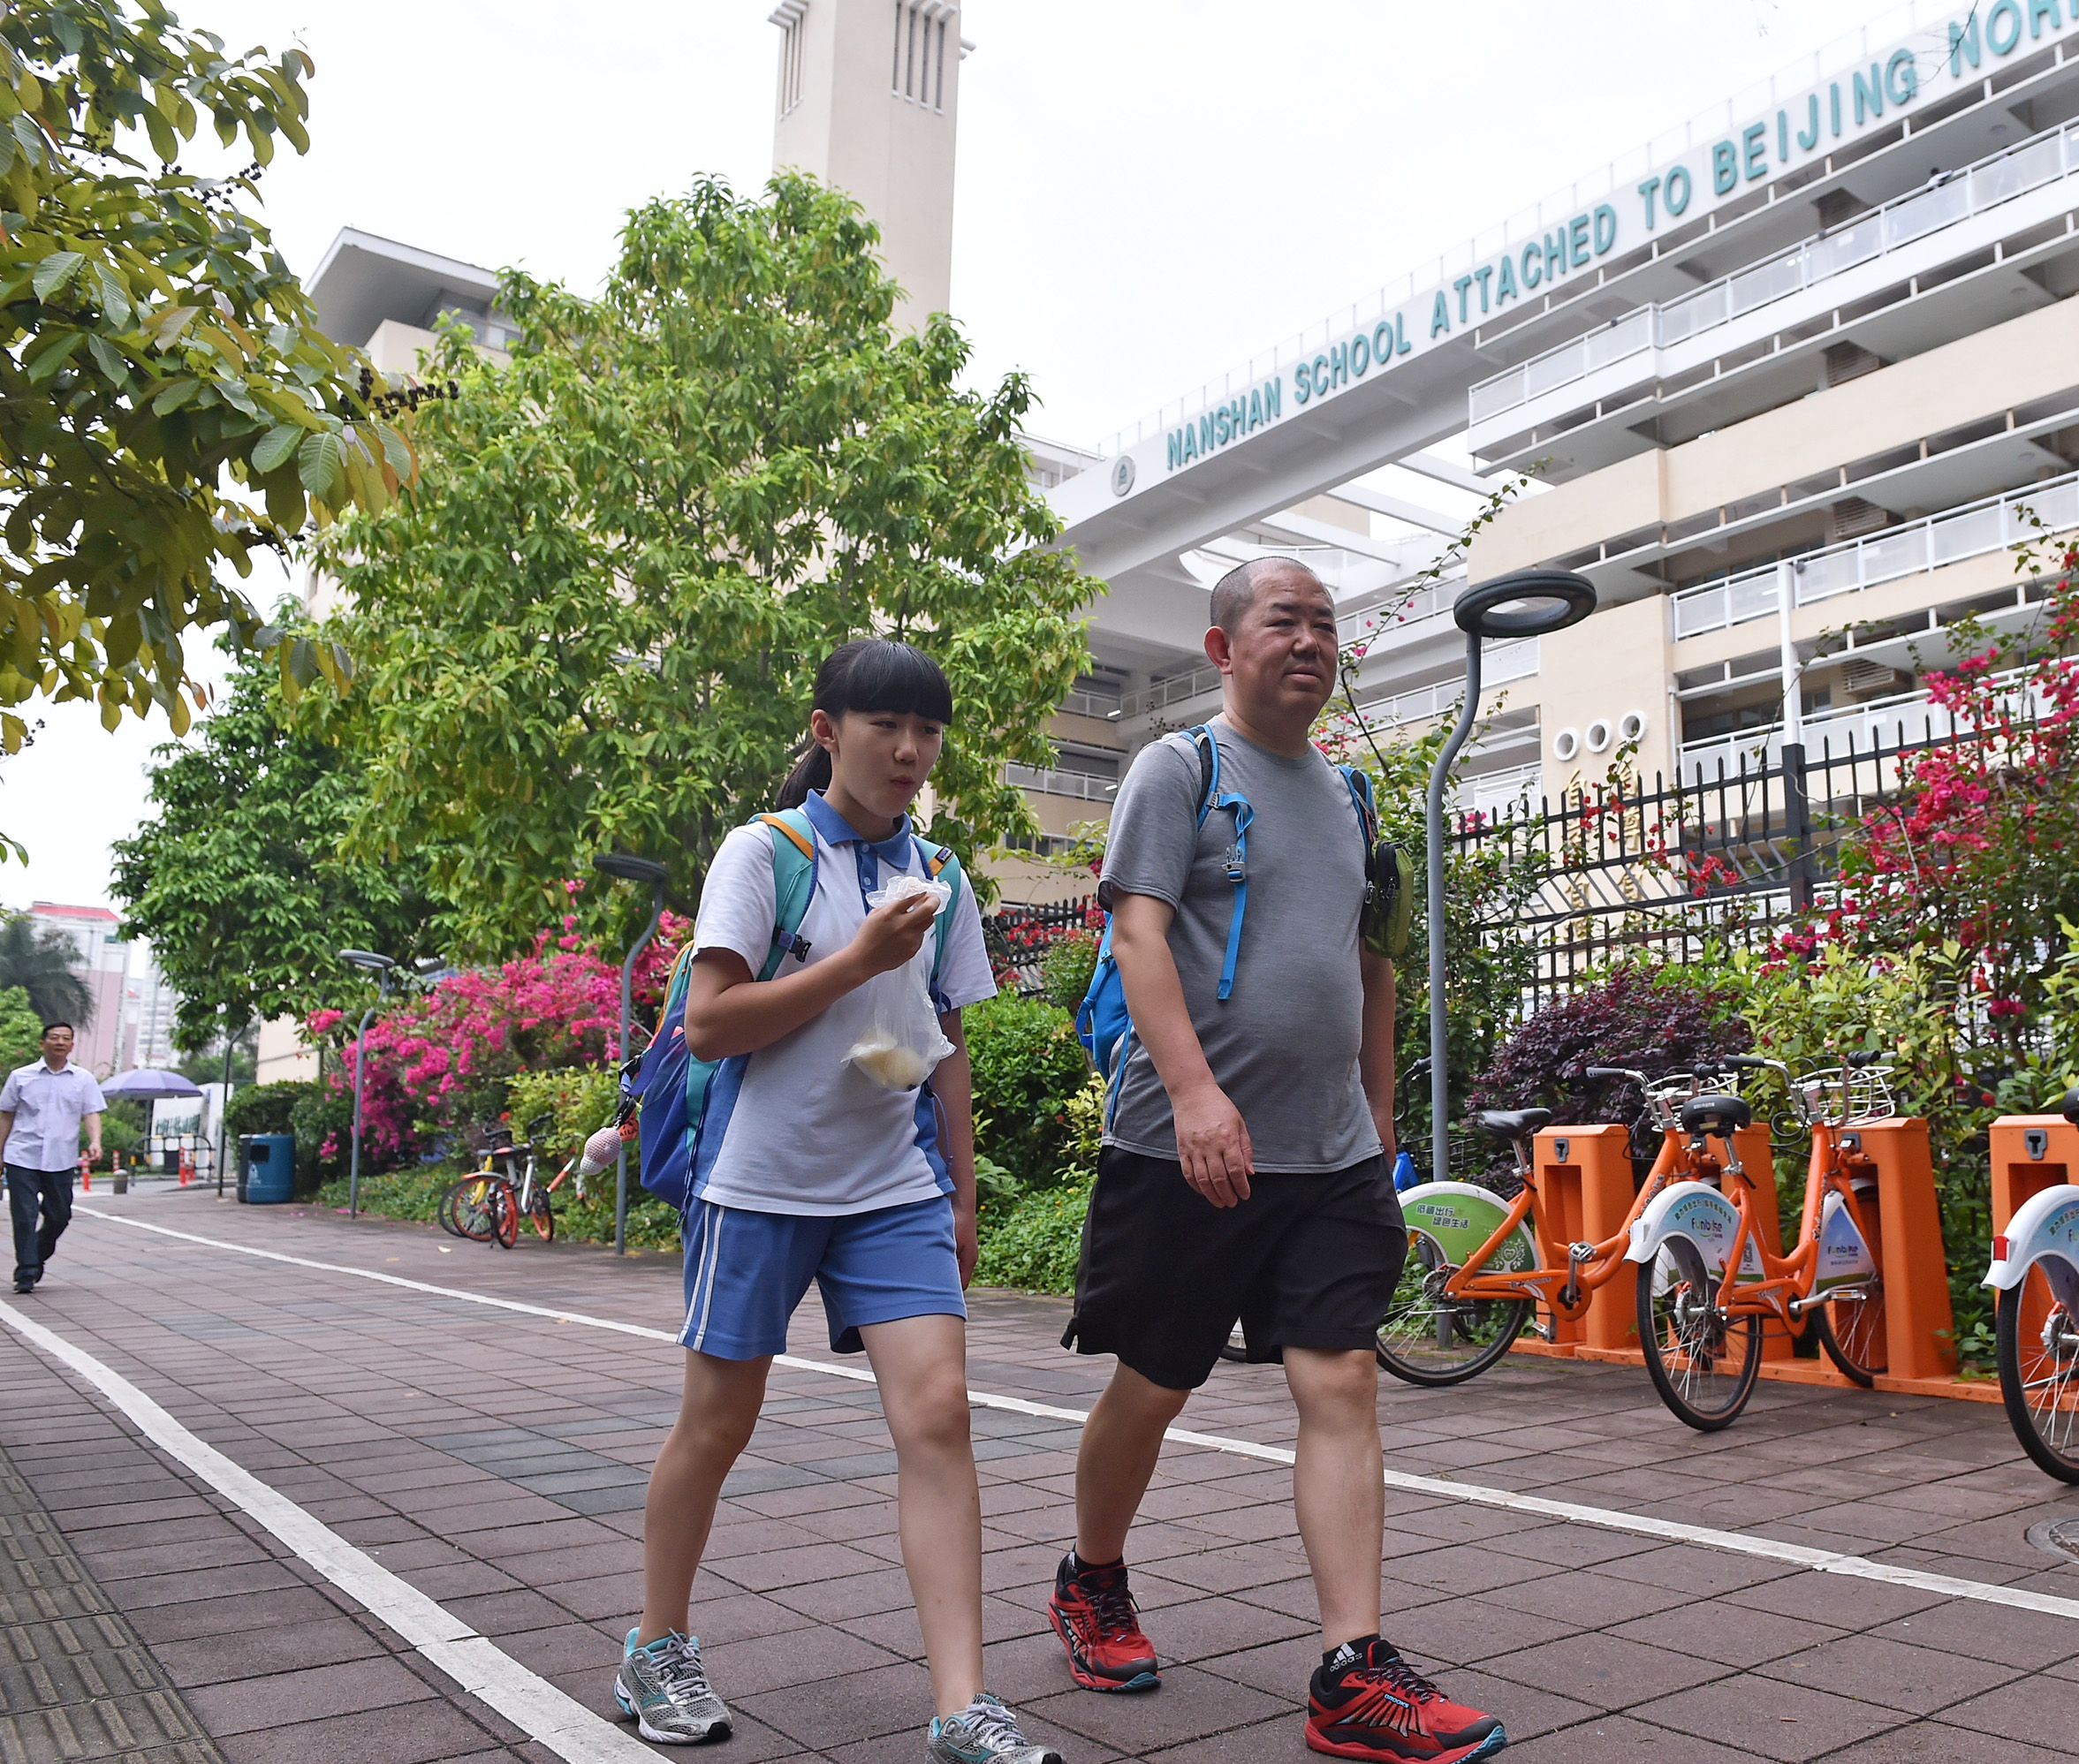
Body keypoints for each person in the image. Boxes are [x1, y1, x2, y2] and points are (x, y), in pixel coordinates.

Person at [1049, 558, 1508, 1764]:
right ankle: (1091, 1578)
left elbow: (1375, 964)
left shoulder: (1354, 798)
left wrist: (1378, 1109)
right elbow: (1136, 930)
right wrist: (1197, 1095)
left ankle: (1350, 1669)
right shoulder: (1178, 771)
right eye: (1281, 621)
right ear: (1223, 649)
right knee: (1153, 1385)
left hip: (1328, 1157)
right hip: (1181, 1146)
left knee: (1342, 1380)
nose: (1308, 641)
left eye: (1324, 623)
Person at [617, 640, 1066, 1764]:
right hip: (756, 1182)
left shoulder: (946, 875)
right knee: (718, 1424)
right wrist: (861, 958)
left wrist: (965, 1195)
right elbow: (714, 1021)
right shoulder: (762, 852)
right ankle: (655, 1643)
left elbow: (950, 1041)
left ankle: (964, 1705)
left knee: (941, 1415)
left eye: (927, 732)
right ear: (827, 728)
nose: (910, 751)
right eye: (885, 727)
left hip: (893, 1186)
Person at [0, 1023, 104, 1296]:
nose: (60, 1042)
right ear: (42, 1043)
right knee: (24, 1215)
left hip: (61, 1158)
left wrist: (95, 1142)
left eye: (66, 1039)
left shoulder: (83, 1079)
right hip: (22, 1154)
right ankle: (25, 1273)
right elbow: (6, 1115)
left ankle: (35, 1256)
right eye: (54, 1038)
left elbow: (91, 1113)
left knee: (60, 1216)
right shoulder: (20, 1077)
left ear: (72, 1045)